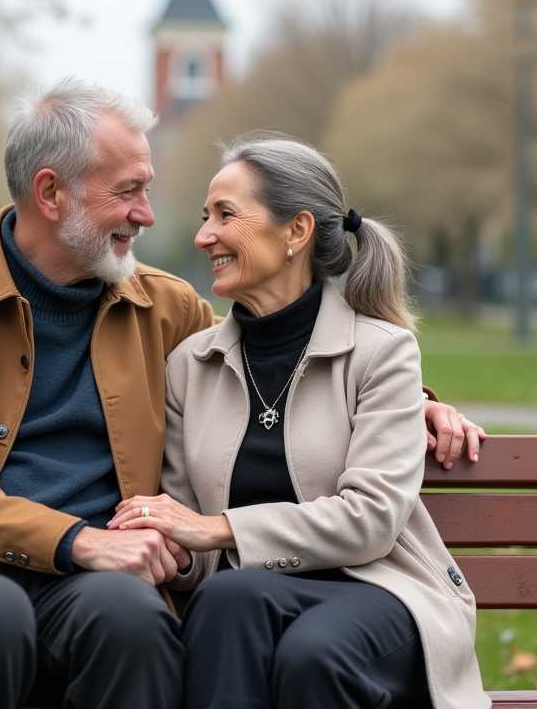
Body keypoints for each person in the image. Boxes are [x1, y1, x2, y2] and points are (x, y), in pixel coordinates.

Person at [0, 80, 483, 709]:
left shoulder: (163, 306)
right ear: (51, 194)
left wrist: (414, 400)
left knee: (134, 619)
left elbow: (282, 354)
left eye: (147, 189)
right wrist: (77, 541)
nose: (148, 214)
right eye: (128, 191)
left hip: (99, 578)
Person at [110, 135, 490, 709]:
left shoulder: (382, 352)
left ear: (297, 231)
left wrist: (217, 529)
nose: (203, 235)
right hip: (251, 594)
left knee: (310, 653)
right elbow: (200, 556)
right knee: (223, 598)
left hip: (383, 588)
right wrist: (178, 550)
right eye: (205, 216)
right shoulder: (190, 365)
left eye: (225, 215)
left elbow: (371, 522)